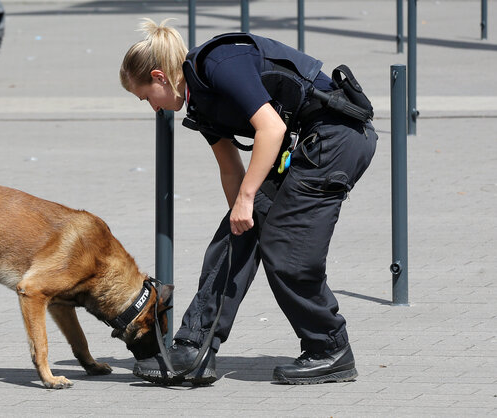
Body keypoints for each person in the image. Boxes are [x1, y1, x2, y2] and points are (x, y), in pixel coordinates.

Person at [119, 19, 377, 386]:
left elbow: (270, 128)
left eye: (145, 97)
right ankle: (195, 347)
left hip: (337, 139)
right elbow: (230, 169)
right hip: (309, 144)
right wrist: (242, 218)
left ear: (159, 77)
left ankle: (330, 349)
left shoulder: (219, 64)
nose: (152, 108)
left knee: (288, 254)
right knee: (235, 235)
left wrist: (246, 199)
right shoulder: (199, 104)